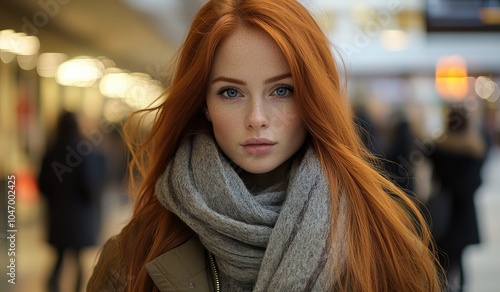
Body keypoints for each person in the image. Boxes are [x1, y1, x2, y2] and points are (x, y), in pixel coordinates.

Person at [88, 0, 443, 291]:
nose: (256, 117)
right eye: (231, 92)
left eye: (282, 91)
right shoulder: (134, 255)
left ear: (313, 99)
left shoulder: (383, 238)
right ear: (204, 105)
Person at [38, 111, 106, 292]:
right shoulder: (83, 151)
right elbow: (88, 185)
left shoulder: (50, 152)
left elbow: (42, 185)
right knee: (78, 261)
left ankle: (52, 288)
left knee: (59, 259)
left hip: (58, 216)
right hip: (79, 218)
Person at [425, 105, 489, 291]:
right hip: (463, 213)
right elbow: (476, 183)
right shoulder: (475, 150)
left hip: (442, 211)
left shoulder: (438, 149)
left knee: (440, 260)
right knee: (459, 261)